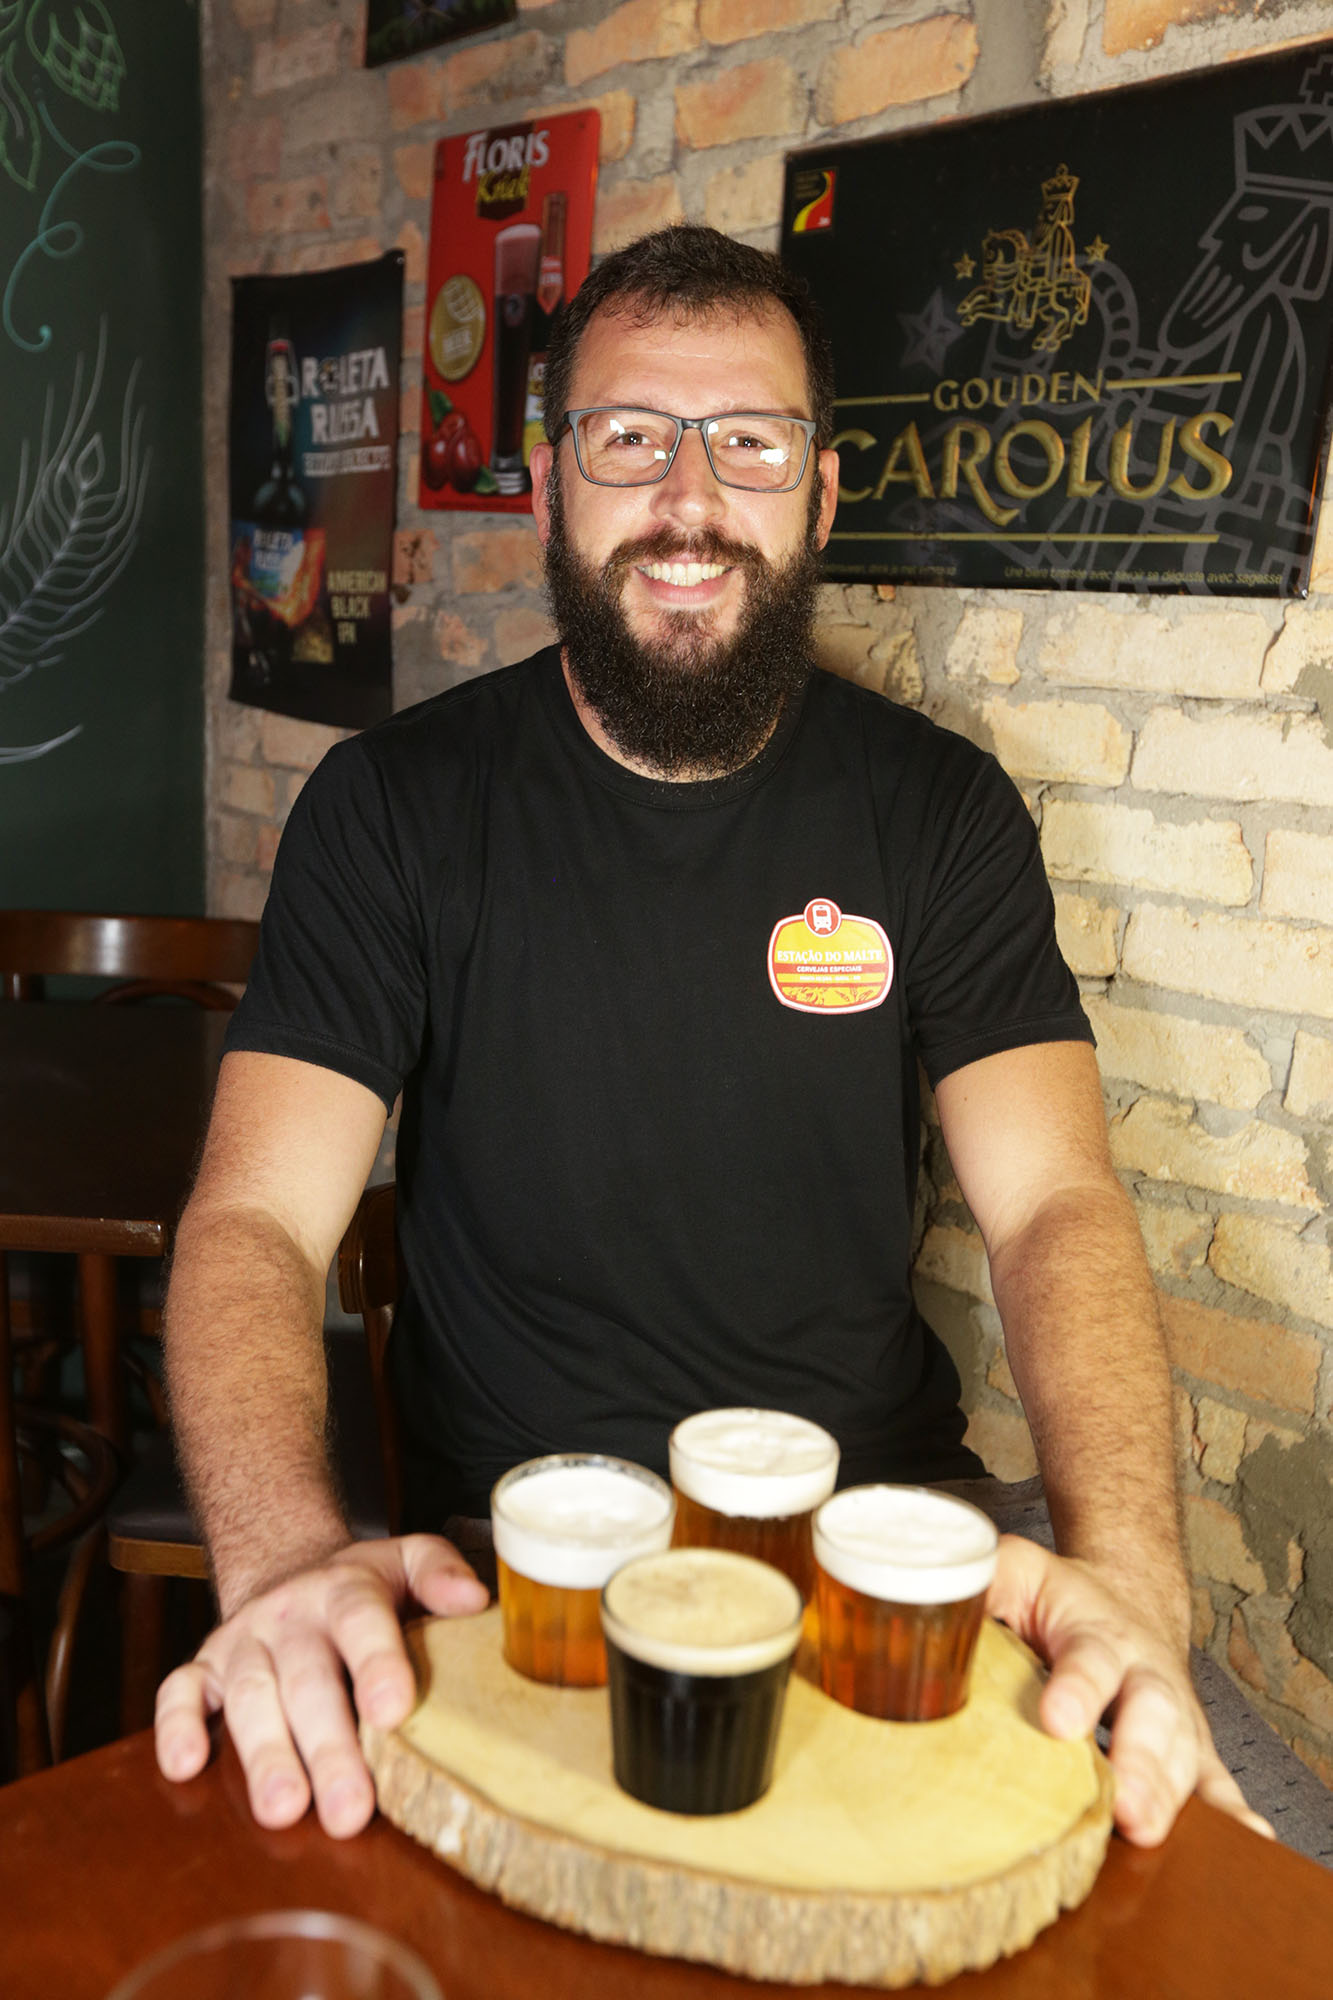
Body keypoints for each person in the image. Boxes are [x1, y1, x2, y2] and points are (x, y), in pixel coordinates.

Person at [156, 225, 1268, 1852]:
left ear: (819, 495)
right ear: (553, 483)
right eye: (630, 438)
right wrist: (280, 1565)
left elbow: (1053, 1210)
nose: (688, 500)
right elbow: (256, 1220)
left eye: (748, 442)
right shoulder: (391, 809)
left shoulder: (939, 810)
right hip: (523, 1561)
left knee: (1217, 1866)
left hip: (885, 1537)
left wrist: (1131, 1587)